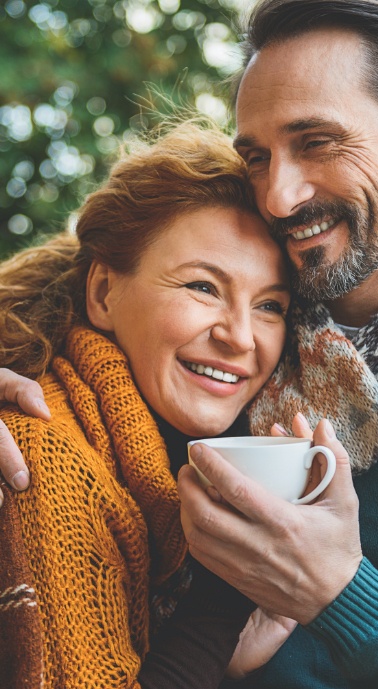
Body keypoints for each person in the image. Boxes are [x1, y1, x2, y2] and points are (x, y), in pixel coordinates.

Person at [2, 0, 378, 686]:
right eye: (257, 157)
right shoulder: (214, 356)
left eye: (317, 142)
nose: (279, 196)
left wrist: (341, 592)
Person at [0, 118, 301, 688]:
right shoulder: (44, 458)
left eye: (270, 306)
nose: (241, 337)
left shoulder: (154, 461)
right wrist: (220, 608)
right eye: (203, 287)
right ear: (103, 292)